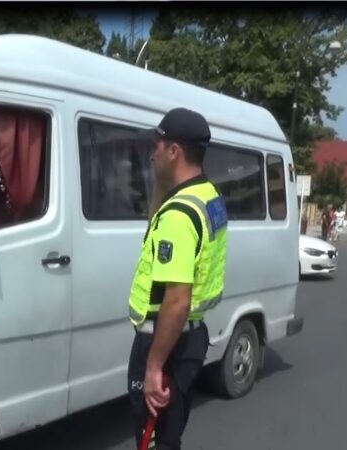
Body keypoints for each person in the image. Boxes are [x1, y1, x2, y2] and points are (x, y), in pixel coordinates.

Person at [127, 108, 228, 450]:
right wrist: (161, 180)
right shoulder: (207, 197)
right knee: (170, 434)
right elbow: (156, 218)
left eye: (157, 144)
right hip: (190, 338)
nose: (151, 152)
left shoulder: (179, 217)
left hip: (165, 341)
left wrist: (154, 365)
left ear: (174, 151)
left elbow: (177, 298)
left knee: (154, 439)